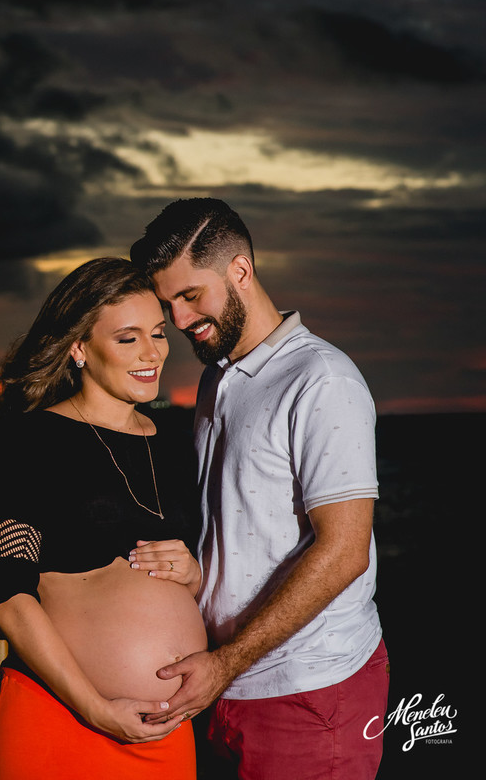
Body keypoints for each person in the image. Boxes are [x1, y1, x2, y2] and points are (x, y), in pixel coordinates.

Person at [129, 198, 389, 779]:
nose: (178, 318)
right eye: (168, 303)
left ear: (240, 271)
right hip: (226, 687)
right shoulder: (215, 379)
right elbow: (240, 529)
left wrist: (226, 662)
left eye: (191, 295)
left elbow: (344, 552)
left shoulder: (321, 379)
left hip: (309, 689)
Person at [0, 257, 207, 780]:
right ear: (80, 348)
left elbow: (193, 576)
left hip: (167, 731)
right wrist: (95, 709)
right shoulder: (32, 441)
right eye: (128, 339)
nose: (153, 354)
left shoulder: (175, 444)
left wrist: (193, 574)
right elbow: (5, 594)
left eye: (157, 333)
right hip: (64, 719)